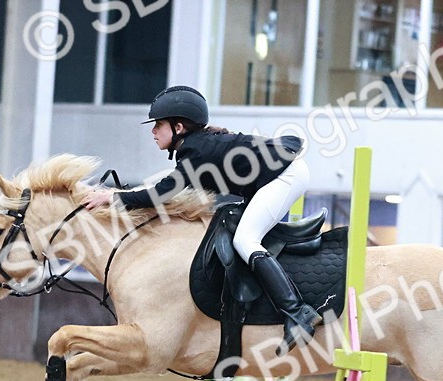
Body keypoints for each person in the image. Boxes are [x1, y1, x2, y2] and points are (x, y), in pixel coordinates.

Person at [81, 85, 320, 354]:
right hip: (275, 176)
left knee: (245, 240)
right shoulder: (196, 147)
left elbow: (162, 193)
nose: (153, 131)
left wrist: (112, 198)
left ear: (179, 127)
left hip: (286, 176)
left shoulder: (195, 151)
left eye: (158, 124)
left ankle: (298, 312)